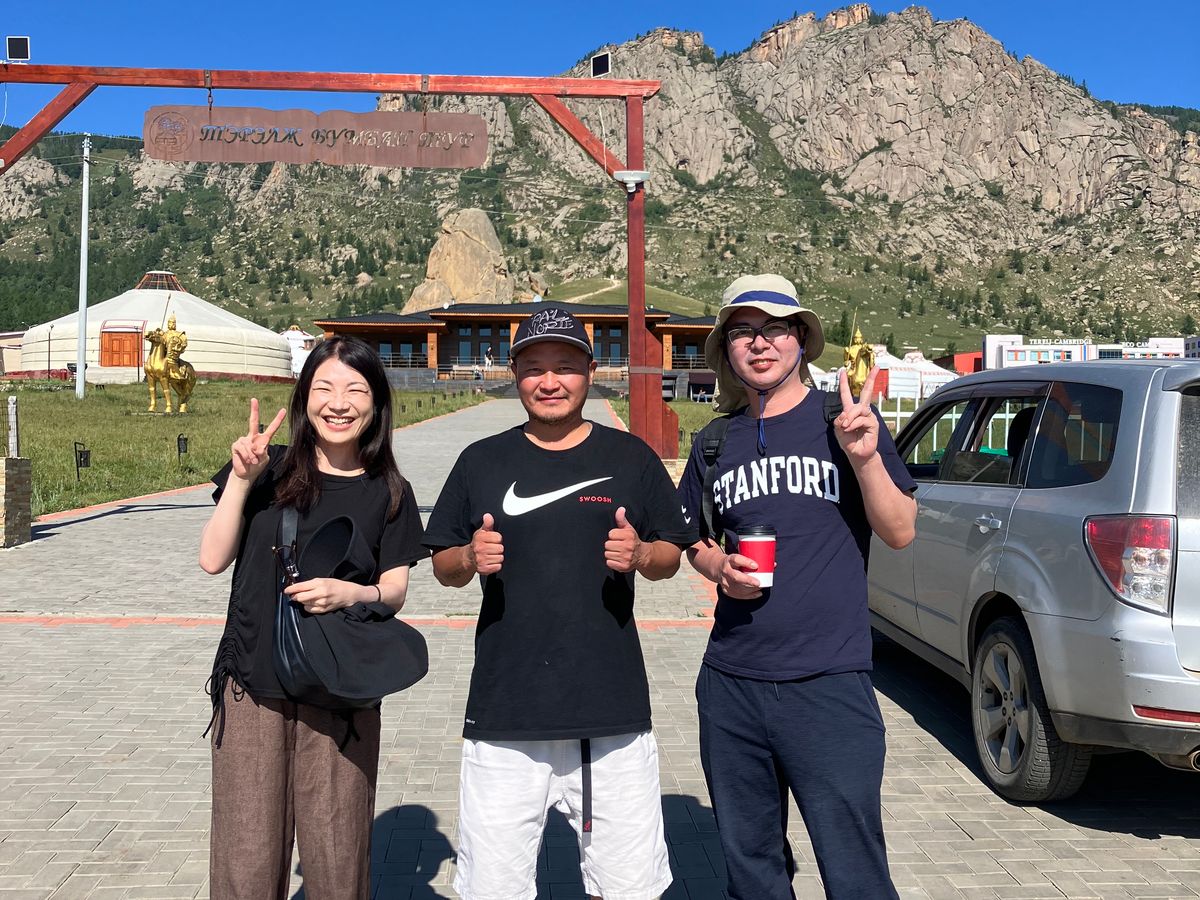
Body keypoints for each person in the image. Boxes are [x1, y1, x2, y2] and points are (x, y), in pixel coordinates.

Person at [423, 305, 697, 900]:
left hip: (611, 711)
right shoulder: (480, 460)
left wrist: (640, 554)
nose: (550, 382)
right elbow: (443, 567)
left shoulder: (630, 458)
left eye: (565, 367)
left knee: (626, 887)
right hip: (506, 712)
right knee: (494, 888)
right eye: (534, 368)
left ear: (591, 372)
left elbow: (670, 558)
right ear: (515, 373)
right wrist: (469, 557)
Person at [676, 274, 917, 900]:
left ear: (801, 340)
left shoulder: (847, 423)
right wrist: (718, 569)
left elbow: (900, 531)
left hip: (828, 682)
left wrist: (864, 457)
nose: (760, 343)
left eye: (775, 328)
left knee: (855, 871)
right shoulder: (714, 442)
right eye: (743, 332)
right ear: (727, 349)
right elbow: (692, 538)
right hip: (731, 683)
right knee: (752, 870)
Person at [198, 335, 428, 900]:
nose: (338, 403)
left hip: (341, 690)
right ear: (304, 398)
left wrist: (349, 592)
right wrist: (242, 480)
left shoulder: (391, 491)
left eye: (355, 389)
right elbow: (212, 559)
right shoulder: (268, 468)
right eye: (324, 388)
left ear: (377, 403)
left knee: (338, 859)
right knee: (245, 859)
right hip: (253, 687)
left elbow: (394, 591)